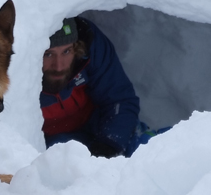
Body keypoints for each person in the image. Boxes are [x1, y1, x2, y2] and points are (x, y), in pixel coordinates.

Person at [40, 16, 146, 158]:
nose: (59, 66)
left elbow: (119, 98)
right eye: (48, 54)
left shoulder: (89, 46)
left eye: (66, 51)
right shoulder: (15, 71)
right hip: (48, 142)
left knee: (148, 151)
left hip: (95, 126)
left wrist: (110, 144)